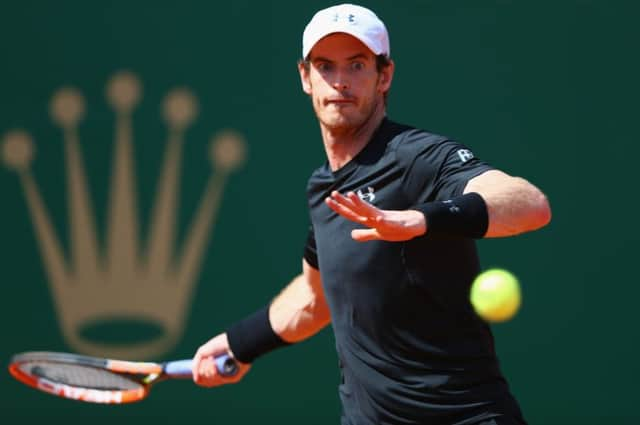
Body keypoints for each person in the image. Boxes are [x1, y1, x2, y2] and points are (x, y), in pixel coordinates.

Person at [192, 4, 551, 424]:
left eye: (357, 65)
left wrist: (422, 219)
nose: (340, 82)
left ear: (385, 76)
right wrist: (240, 343)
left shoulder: (419, 157)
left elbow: (528, 203)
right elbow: (314, 297)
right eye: (325, 66)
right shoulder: (323, 187)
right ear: (305, 78)